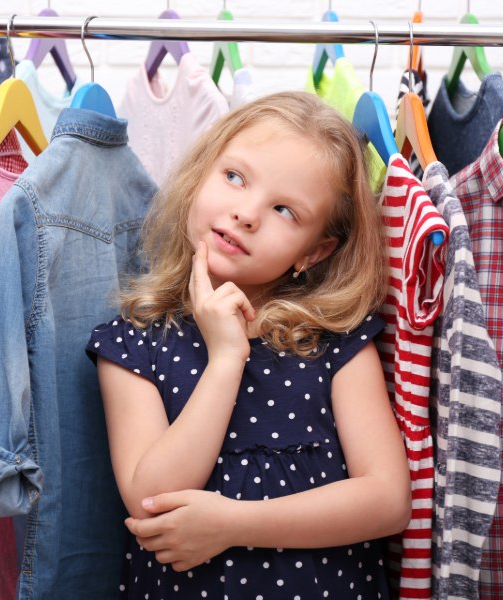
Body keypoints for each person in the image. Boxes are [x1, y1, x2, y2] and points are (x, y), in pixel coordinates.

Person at [86, 91, 410, 599]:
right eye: (234, 177)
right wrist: (225, 359)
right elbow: (151, 497)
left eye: (284, 209)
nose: (246, 214)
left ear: (315, 251)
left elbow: (388, 499)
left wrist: (234, 523)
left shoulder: (335, 342)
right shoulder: (135, 341)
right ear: (200, 175)